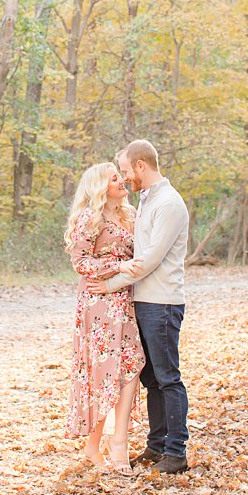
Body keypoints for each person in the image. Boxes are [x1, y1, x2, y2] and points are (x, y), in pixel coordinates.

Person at [86, 139, 190, 474]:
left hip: (161, 303)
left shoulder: (169, 204)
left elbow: (148, 260)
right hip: (143, 302)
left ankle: (176, 452)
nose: (126, 178)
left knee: (168, 377)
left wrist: (109, 283)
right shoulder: (148, 199)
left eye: (128, 171)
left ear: (141, 166)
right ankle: (157, 445)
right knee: (151, 379)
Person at [63, 161, 147, 473]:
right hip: (98, 304)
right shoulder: (90, 218)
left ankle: (118, 440)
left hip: (124, 301)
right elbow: (79, 261)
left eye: (120, 177)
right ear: (101, 187)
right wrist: (117, 267)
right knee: (102, 373)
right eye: (114, 179)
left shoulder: (130, 215)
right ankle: (93, 447)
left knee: (131, 365)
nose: (121, 181)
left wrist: (127, 271)